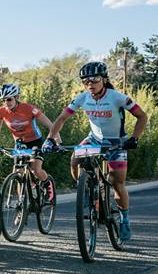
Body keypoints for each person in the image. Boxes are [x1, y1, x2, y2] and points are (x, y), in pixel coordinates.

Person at [43, 61, 148, 241]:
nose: (90, 84)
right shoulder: (82, 98)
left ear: (104, 79)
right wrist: (50, 139)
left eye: (94, 80)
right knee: (75, 158)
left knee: (117, 183)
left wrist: (134, 138)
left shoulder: (117, 97)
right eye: (86, 81)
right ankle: (86, 187)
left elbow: (142, 116)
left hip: (117, 142)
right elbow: (61, 119)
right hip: (95, 139)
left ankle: (124, 219)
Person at [0, 83, 55, 200]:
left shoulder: (29, 109)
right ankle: (21, 205)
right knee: (18, 172)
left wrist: (55, 140)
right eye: (3, 100)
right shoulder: (1, 111)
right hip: (20, 143)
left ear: (17, 97)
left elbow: (50, 125)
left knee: (35, 169)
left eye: (9, 99)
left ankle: (47, 184)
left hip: (35, 142)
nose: (6, 103)